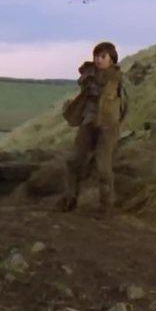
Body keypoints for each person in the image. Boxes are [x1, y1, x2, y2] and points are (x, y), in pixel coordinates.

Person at [60, 42, 126, 214]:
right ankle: (69, 198)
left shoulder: (117, 79)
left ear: (111, 59)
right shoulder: (88, 76)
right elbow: (83, 97)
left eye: (103, 56)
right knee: (74, 161)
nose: (98, 59)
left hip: (108, 125)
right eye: (96, 56)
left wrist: (115, 121)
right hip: (88, 122)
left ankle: (107, 204)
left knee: (103, 165)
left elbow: (125, 105)